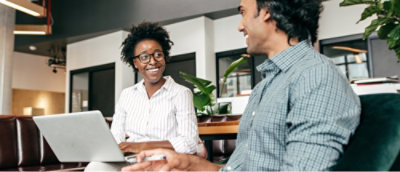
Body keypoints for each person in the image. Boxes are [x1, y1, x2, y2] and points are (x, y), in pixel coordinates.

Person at [122, 0, 361, 171]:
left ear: (267, 12)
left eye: (243, 12)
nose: (240, 25)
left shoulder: (315, 77)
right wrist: (192, 165)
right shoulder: (265, 87)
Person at [85, 22, 199, 171]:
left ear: (165, 57)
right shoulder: (127, 95)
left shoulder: (181, 93)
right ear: (135, 63)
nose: (153, 62)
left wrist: (138, 146)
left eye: (158, 54)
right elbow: (116, 138)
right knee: (95, 167)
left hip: (164, 161)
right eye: (144, 57)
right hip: (131, 160)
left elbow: (189, 143)